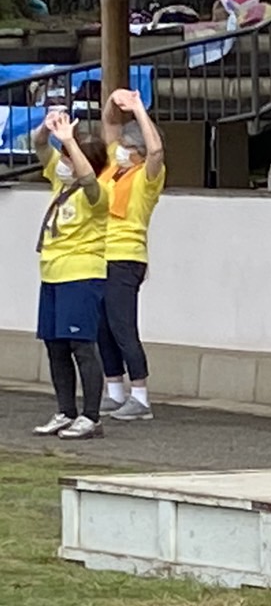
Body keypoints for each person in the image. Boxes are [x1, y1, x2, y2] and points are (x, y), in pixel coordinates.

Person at [31, 111, 110, 440]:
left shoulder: (96, 195)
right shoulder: (59, 181)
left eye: (69, 157)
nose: (63, 163)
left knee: (81, 345)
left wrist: (70, 143)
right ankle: (65, 410)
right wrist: (47, 127)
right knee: (55, 345)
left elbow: (89, 178)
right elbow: (37, 144)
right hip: (52, 272)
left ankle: (91, 416)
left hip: (81, 273)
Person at [95, 89, 166, 422]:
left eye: (128, 147)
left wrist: (139, 109)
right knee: (102, 327)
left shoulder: (147, 177)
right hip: (99, 254)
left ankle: (140, 395)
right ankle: (114, 390)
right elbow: (108, 122)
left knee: (123, 325)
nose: (121, 149)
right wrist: (114, 100)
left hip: (126, 257)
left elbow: (156, 149)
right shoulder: (113, 168)